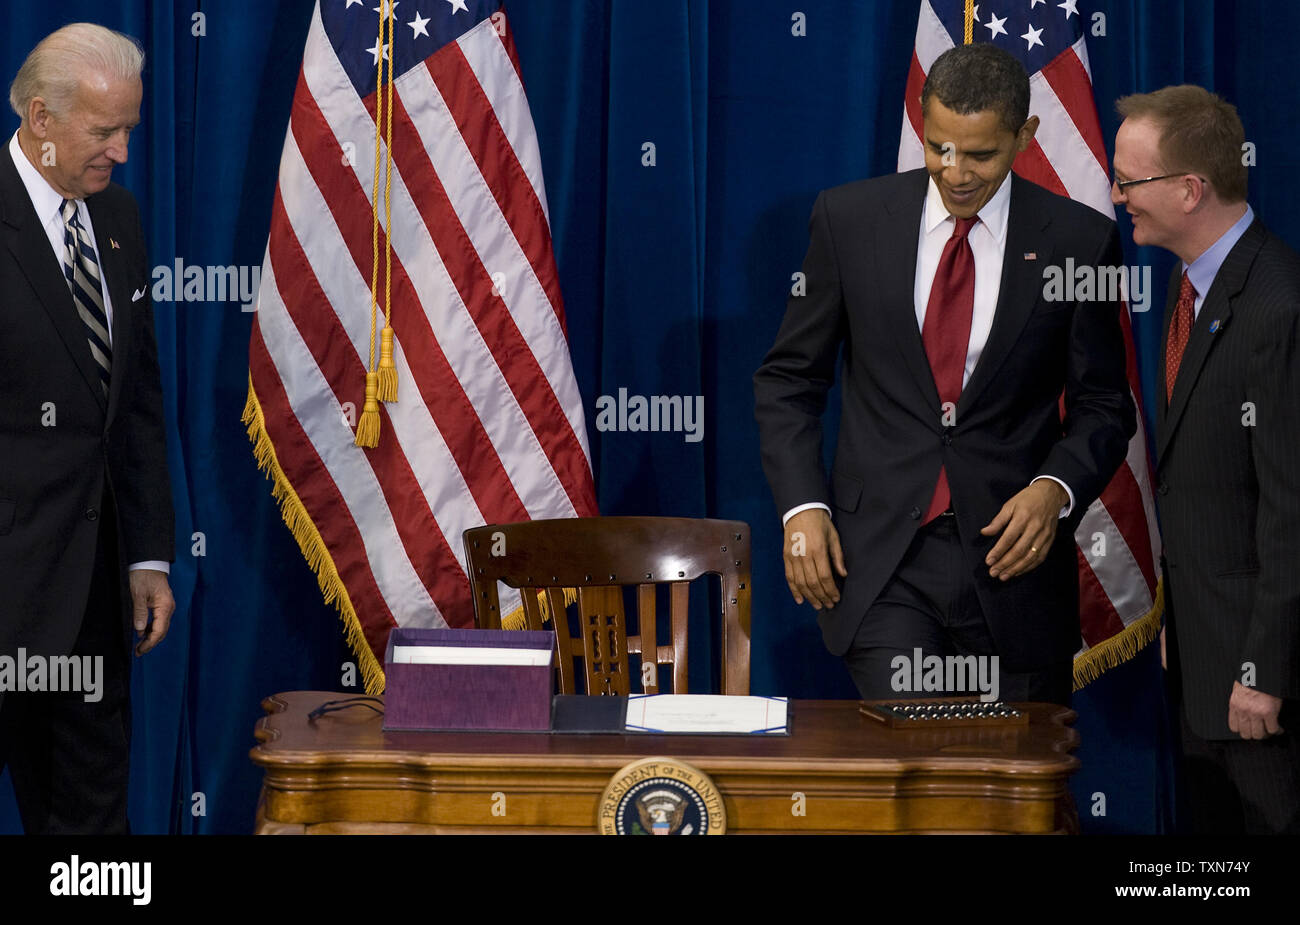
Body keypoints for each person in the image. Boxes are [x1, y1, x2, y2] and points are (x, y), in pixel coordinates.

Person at [753, 43, 1134, 705]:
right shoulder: (849, 221)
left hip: (1015, 567)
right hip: (882, 564)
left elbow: (1105, 405)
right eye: (938, 148)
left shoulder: (1081, 242)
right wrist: (802, 507)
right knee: (920, 769)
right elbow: (788, 379)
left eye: (980, 154)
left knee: (1009, 795)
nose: (955, 172)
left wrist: (1054, 489)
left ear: (1025, 136)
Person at [0, 23, 175, 834]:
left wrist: (145, 552)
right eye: (104, 131)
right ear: (40, 118)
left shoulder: (119, 219)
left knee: (92, 843)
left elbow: (134, 400)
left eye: (130, 129)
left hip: (94, 608)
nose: (123, 151)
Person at [1111, 85, 1300, 835]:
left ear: (1190, 189)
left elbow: (1291, 511)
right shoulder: (1195, 286)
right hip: (1204, 664)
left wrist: (1264, 672)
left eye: (1130, 180)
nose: (1117, 194)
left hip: (1261, 690)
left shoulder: (1277, 308)